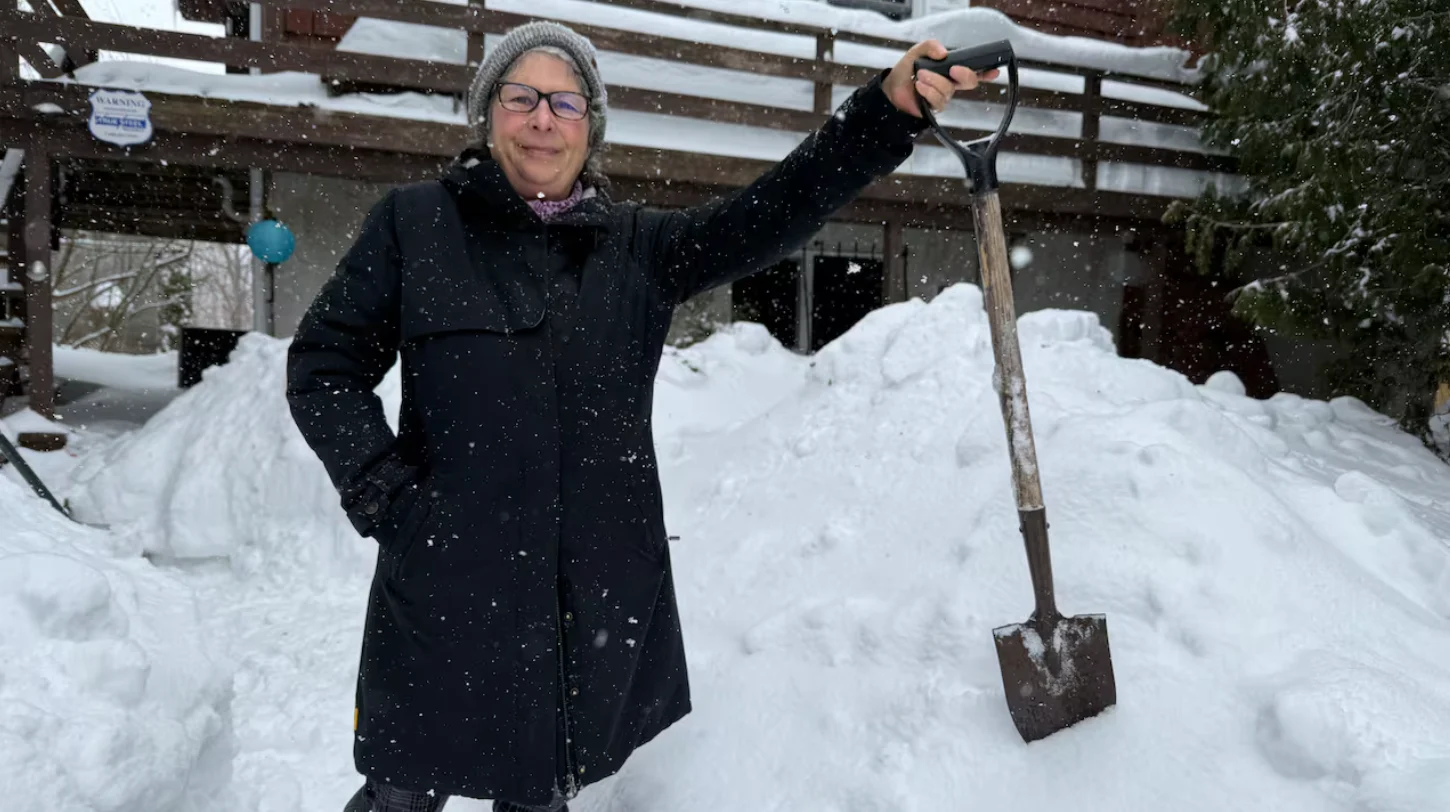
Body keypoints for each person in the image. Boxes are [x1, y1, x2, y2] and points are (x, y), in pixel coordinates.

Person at [286, 19, 994, 812]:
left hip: (580, 592)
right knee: (401, 790)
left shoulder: (638, 249)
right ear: (488, 116)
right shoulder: (415, 225)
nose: (543, 118)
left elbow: (774, 211)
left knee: (539, 790)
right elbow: (325, 366)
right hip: (447, 582)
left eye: (565, 101)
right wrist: (392, 500)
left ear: (592, 128)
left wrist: (884, 114)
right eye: (520, 97)